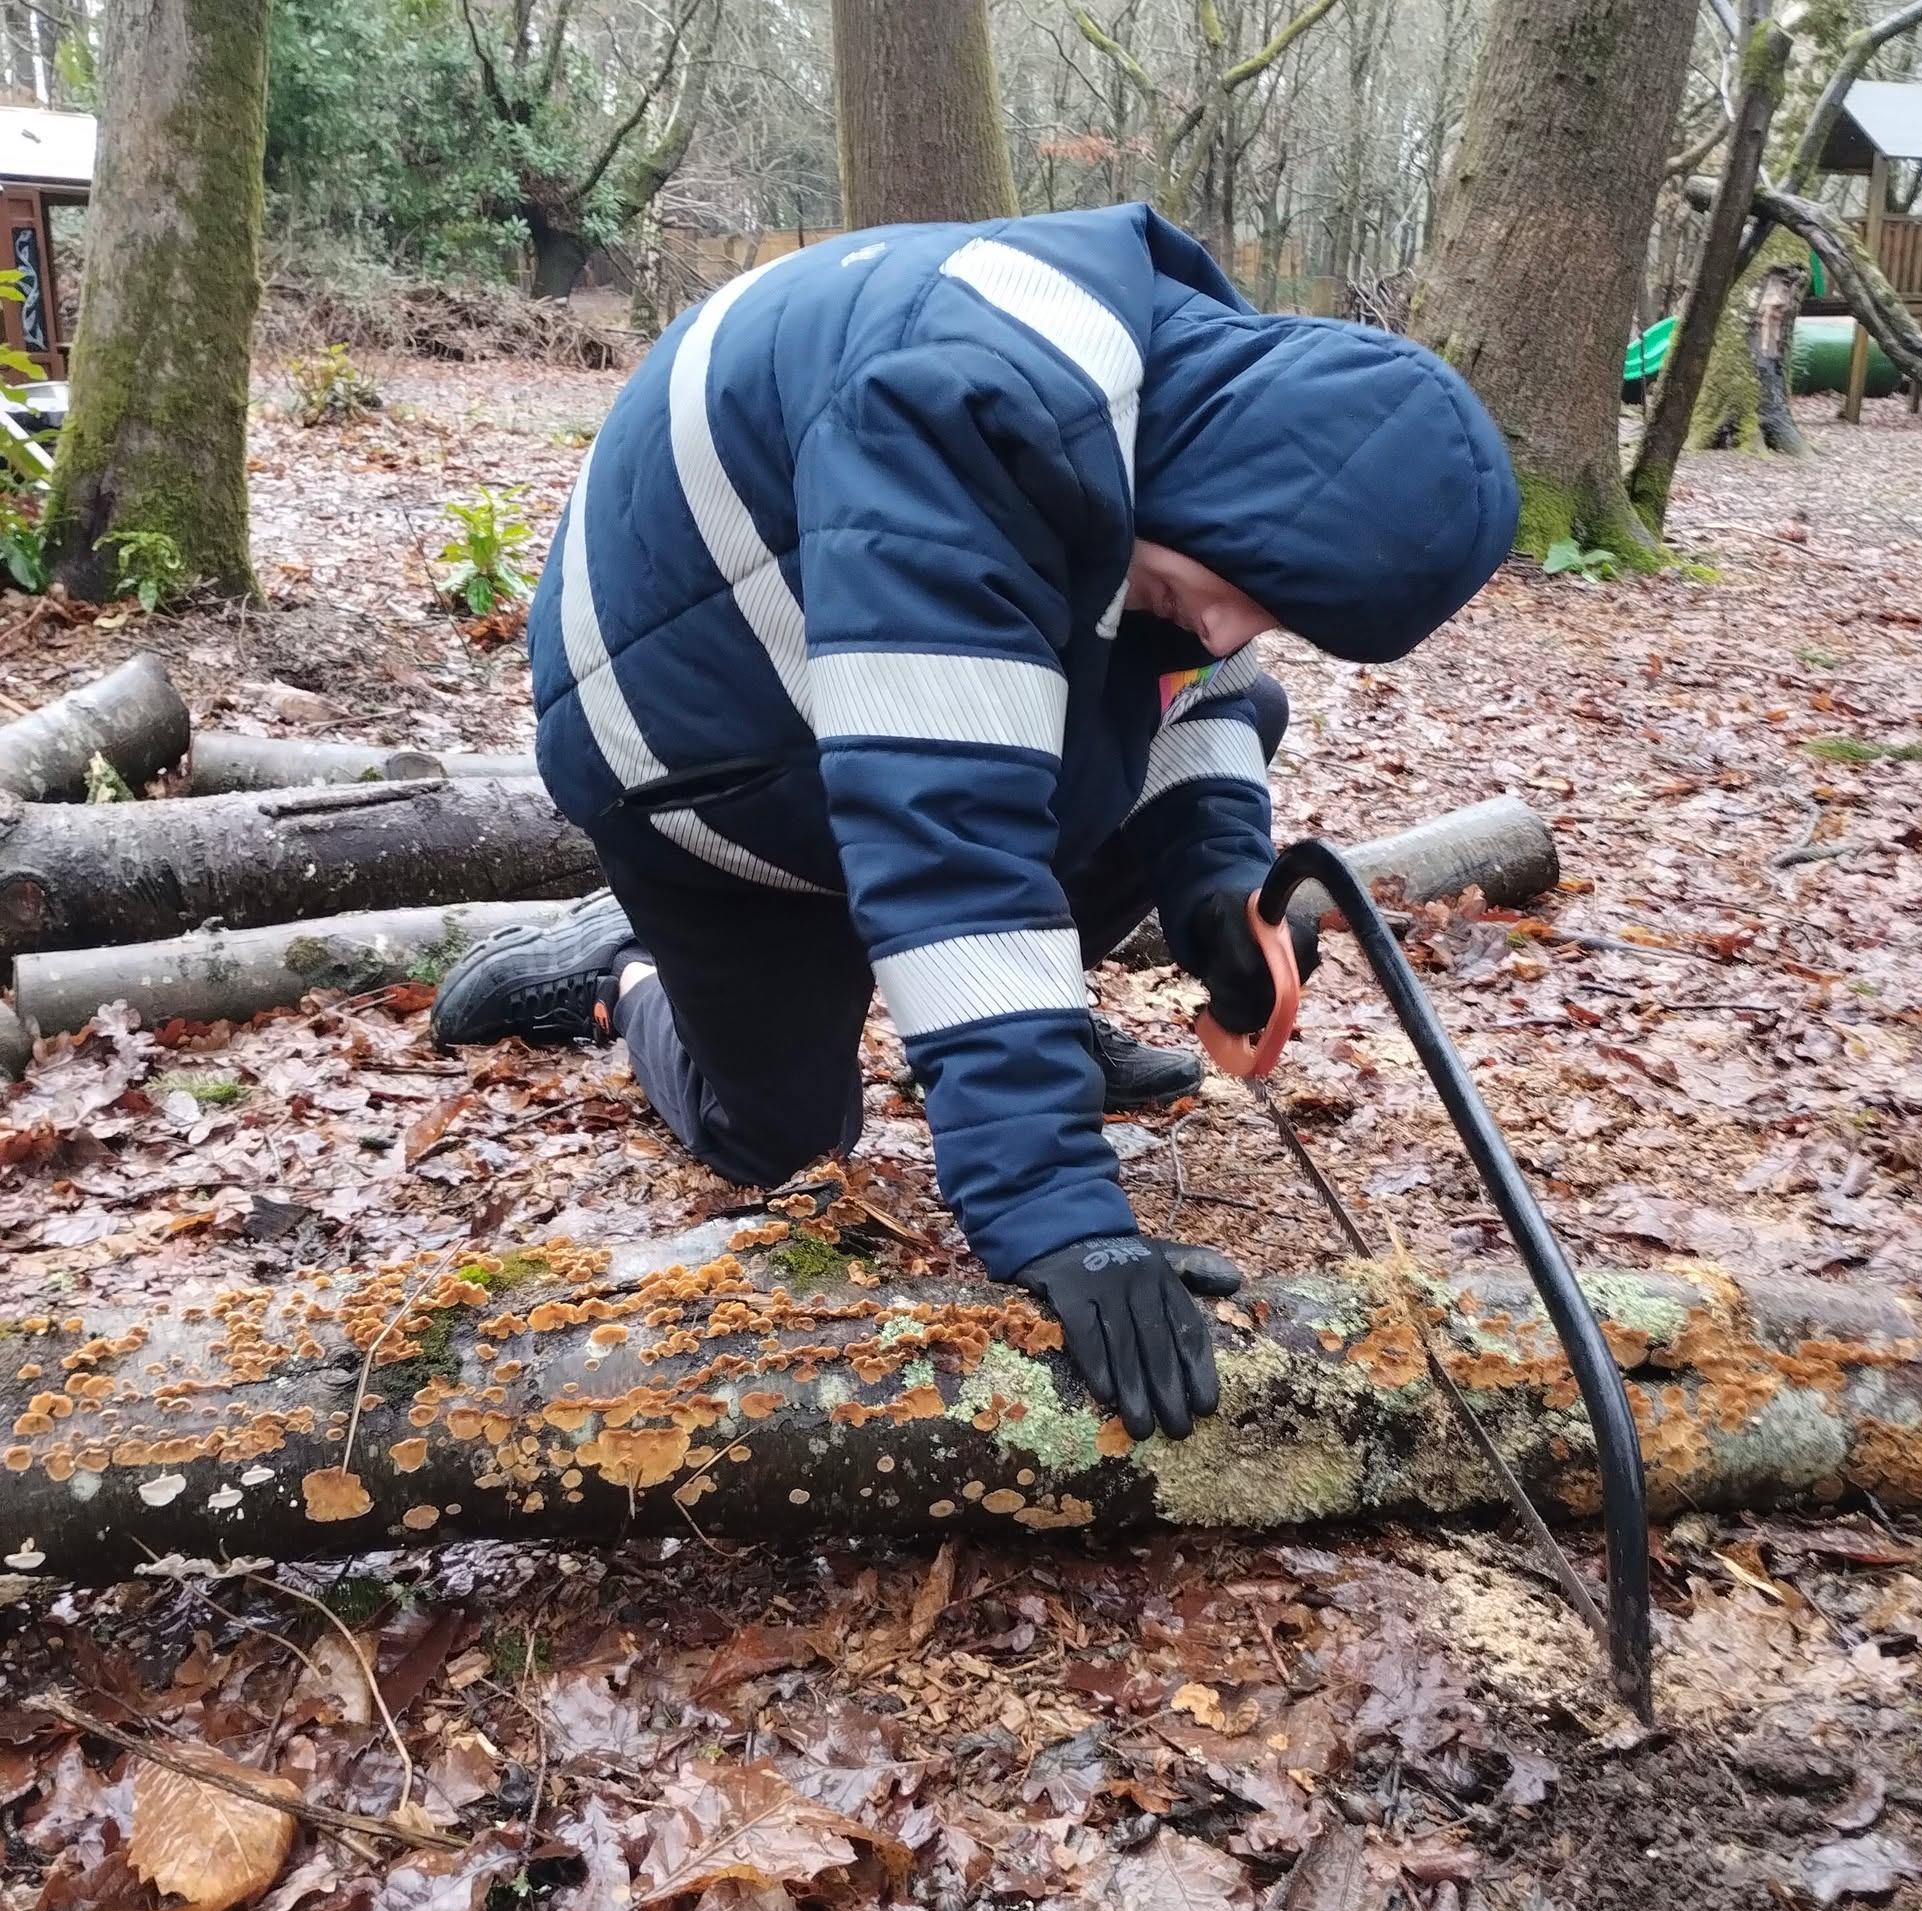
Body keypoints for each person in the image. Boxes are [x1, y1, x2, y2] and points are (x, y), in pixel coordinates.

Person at [432, 202, 1518, 1448]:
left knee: (1183, 715)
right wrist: (1053, 1203)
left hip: (877, 705)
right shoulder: (958, 406)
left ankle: (1021, 1021)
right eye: (1244, 595)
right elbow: (946, 826)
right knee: (784, 1144)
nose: (1229, 627)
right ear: (1238, 497)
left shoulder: (1180, 424)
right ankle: (631, 973)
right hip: (699, 763)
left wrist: (1215, 885)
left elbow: (1200, 683)